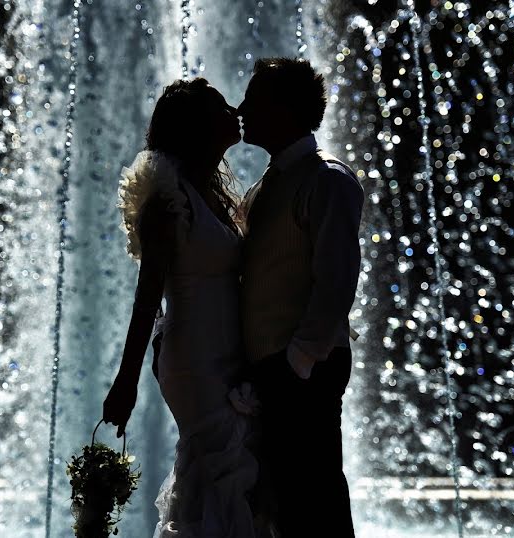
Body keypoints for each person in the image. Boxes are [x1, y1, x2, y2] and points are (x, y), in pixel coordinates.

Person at [102, 78, 265, 538]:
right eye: (219, 107)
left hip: (226, 350)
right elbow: (148, 292)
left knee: (228, 467)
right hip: (194, 357)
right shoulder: (167, 200)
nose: (233, 109)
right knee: (218, 466)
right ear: (196, 126)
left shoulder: (211, 191)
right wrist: (126, 380)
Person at [237, 57, 365, 537]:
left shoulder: (327, 179)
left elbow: (337, 280)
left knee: (316, 498)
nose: (242, 107)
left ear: (284, 108)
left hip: (303, 368)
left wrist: (299, 360)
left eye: (254, 98)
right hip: (275, 370)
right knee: (288, 502)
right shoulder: (265, 186)